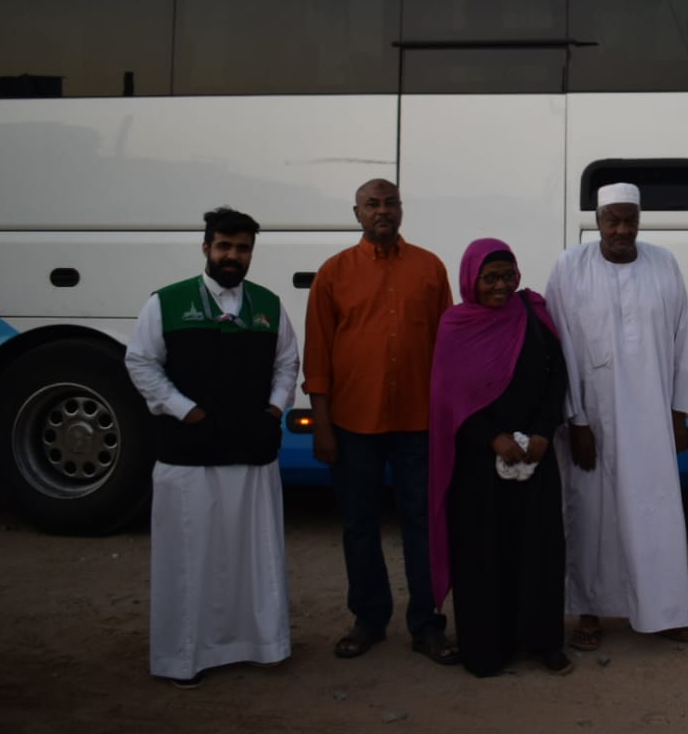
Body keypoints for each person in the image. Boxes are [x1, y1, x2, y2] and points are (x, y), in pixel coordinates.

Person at [124, 207, 300, 686]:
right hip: (189, 452)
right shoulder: (167, 302)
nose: (232, 256)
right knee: (190, 557)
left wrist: (274, 408)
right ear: (206, 247)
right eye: (224, 246)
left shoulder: (268, 305)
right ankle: (184, 658)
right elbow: (140, 362)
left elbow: (287, 363)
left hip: (251, 451)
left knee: (253, 555)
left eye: (242, 249)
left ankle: (262, 645)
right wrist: (185, 410)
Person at [303, 179, 457, 664]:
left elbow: (448, 349)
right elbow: (318, 354)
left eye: (390, 203)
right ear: (357, 213)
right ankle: (368, 619)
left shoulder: (430, 268)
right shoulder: (334, 273)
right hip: (353, 423)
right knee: (359, 524)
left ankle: (427, 625)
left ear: (402, 210)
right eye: (372, 204)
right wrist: (322, 425)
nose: (382, 211)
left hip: (418, 423)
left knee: (423, 524)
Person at [546, 183, 688, 651]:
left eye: (630, 220)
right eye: (612, 219)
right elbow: (560, 347)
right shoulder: (570, 267)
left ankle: (664, 611)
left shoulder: (664, 264)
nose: (621, 229)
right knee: (592, 515)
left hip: (652, 416)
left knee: (657, 511)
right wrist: (576, 420)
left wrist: (679, 414)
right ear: (597, 220)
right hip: (593, 418)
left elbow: (682, 341)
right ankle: (589, 612)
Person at [428, 239, 572, 677]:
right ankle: (487, 647)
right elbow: (449, 399)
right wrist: (493, 439)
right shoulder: (455, 325)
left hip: (535, 455)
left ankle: (544, 641)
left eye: (507, 276)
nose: (500, 286)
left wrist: (543, 432)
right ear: (471, 279)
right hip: (478, 465)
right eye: (489, 278)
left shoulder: (532, 314)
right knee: (483, 554)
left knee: (539, 550)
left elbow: (556, 378)